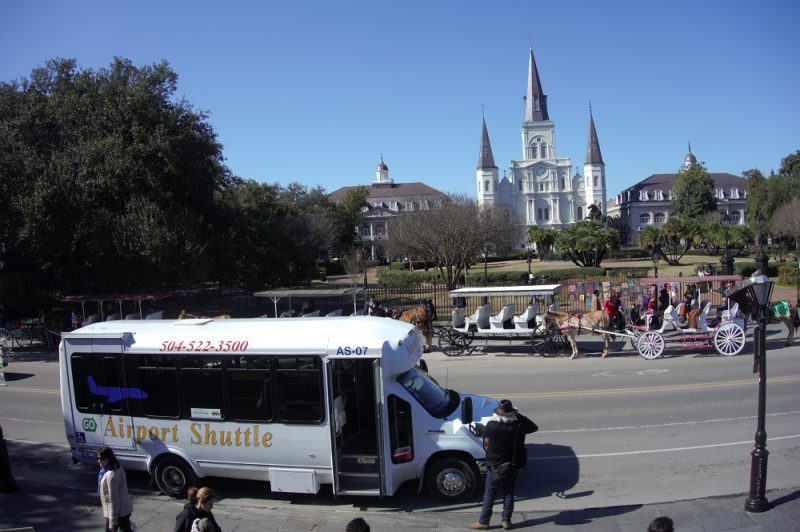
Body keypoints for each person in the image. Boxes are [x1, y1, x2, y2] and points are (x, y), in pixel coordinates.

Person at [468, 399, 538, 530]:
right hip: (512, 465)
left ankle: (484, 521)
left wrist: (479, 427)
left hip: (495, 466)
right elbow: (534, 427)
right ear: (512, 413)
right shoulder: (519, 425)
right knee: (508, 493)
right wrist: (518, 414)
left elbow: (484, 432)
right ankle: (506, 521)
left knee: (489, 493)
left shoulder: (491, 426)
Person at [97, 447, 133, 532]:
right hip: (123, 510)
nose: (99, 461)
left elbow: (113, 500)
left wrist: (112, 522)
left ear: (109, 458)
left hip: (118, 513)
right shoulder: (117, 467)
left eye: (102, 459)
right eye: (97, 458)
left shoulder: (111, 475)